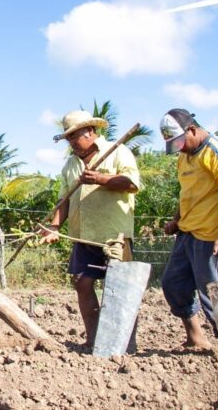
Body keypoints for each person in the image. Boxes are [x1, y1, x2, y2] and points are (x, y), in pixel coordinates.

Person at [39, 110, 140, 349]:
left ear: (91, 132)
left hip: (114, 235)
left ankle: (127, 344)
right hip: (83, 235)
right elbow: (64, 201)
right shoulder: (70, 166)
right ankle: (94, 339)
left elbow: (132, 183)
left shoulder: (118, 152)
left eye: (76, 135)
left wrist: (100, 179)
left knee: (119, 289)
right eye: (69, 137)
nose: (73, 141)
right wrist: (54, 227)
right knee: (82, 283)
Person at [159, 109, 218, 356]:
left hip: (214, 237)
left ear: (192, 130)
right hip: (188, 234)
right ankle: (196, 337)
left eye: (180, 142)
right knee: (173, 285)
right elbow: (188, 194)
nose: (180, 148)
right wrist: (176, 221)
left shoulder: (217, 149)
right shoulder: (184, 157)